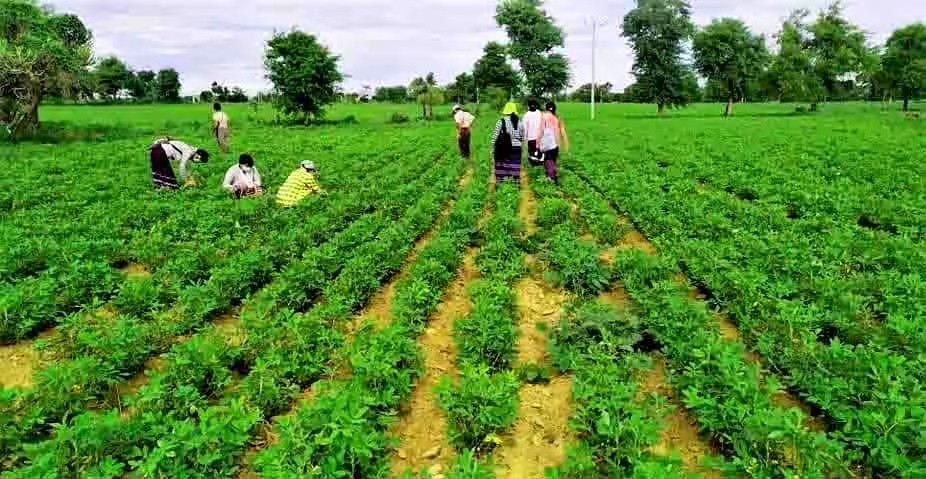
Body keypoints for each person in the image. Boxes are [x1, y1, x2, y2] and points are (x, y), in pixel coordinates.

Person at [490, 101, 524, 185]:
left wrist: (492, 148)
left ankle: (501, 184)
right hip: (517, 148)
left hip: (503, 148)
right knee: (515, 166)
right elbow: (522, 137)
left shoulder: (501, 121)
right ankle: (515, 184)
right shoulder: (519, 122)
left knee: (501, 165)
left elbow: (495, 136)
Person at [539, 101, 569, 184]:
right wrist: (566, 143)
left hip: (545, 142)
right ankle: (551, 174)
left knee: (547, 159)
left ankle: (551, 176)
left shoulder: (543, 117)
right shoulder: (558, 117)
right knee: (552, 159)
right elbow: (563, 131)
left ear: (546, 108)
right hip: (556, 143)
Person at [523, 98, 544, 166]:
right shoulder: (540, 113)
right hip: (540, 137)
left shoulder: (526, 115)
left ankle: (534, 166)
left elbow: (524, 129)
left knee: (532, 153)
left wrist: (524, 138)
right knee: (540, 153)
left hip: (531, 138)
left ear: (528, 105)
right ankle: (540, 165)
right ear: (536, 105)